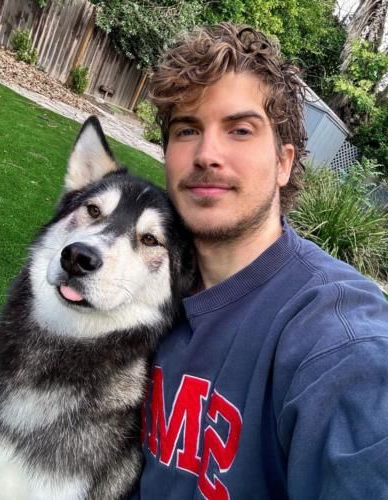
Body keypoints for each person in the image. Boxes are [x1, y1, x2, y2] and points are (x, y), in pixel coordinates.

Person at [133, 23, 388, 499]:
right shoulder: (145, 284)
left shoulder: (337, 338)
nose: (207, 154)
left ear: (284, 162)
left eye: (240, 130)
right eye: (187, 129)